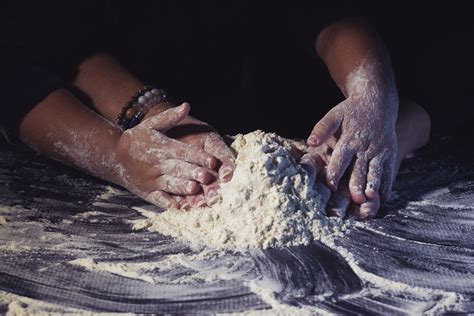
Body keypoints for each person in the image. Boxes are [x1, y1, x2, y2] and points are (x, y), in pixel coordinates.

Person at [1, 2, 430, 219]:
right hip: (109, 106)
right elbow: (27, 61)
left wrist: (376, 103)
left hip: (303, 104)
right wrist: (121, 149)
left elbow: (328, 16)